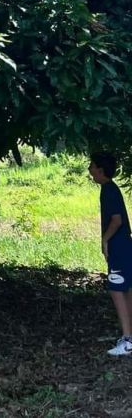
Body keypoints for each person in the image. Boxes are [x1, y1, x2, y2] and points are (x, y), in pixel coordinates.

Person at [88, 152, 132, 356]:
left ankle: (128, 340)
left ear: (101, 170)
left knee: (116, 289)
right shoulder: (110, 189)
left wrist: (105, 240)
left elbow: (117, 220)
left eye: (92, 166)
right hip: (124, 244)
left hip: (119, 245)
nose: (90, 170)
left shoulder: (109, 191)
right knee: (125, 288)